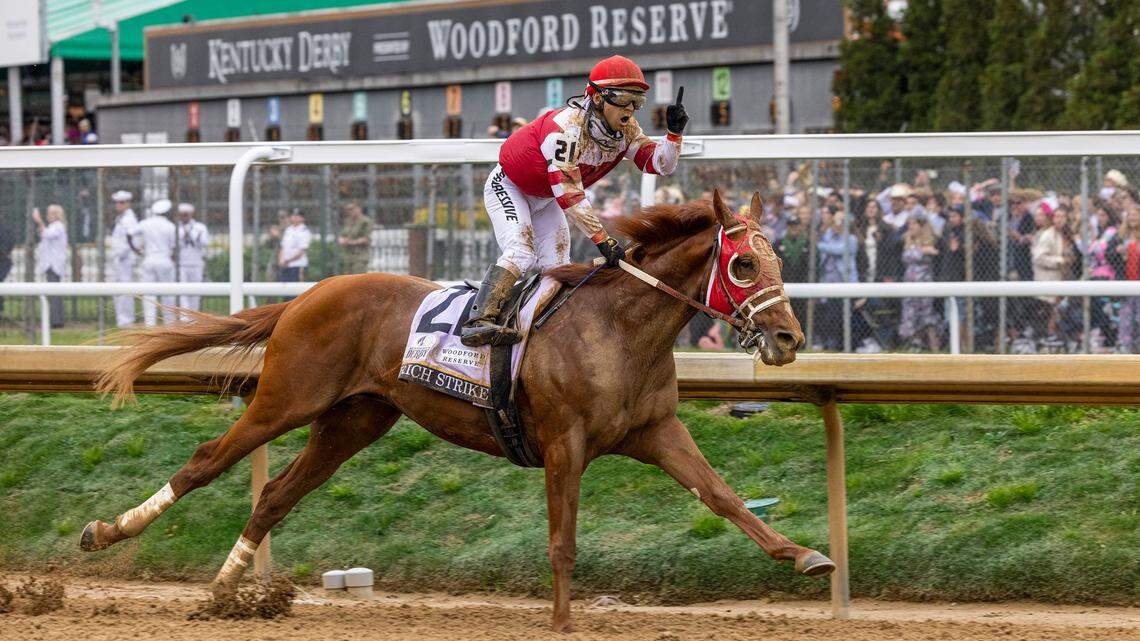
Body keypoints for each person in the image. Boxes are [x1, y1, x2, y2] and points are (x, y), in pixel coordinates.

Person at [462, 54, 688, 346]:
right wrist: (603, 240)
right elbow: (568, 193)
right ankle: (478, 321)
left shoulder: (627, 130)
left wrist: (674, 135)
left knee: (556, 266)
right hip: (509, 186)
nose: (630, 110)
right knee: (521, 252)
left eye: (638, 101)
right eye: (623, 99)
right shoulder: (565, 129)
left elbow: (660, 165)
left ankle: (538, 331)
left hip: (545, 198)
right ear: (596, 98)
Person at [898, 215, 941, 351]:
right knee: (910, 315)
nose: (911, 227)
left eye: (914, 224)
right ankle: (915, 345)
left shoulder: (930, 240)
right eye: (909, 224)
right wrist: (921, 250)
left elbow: (932, 253)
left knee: (926, 317)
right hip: (909, 283)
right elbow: (907, 256)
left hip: (924, 282)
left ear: (922, 226)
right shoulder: (908, 241)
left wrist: (921, 251)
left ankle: (935, 348)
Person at [132, 199, 178, 327]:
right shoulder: (170, 226)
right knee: (168, 293)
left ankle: (150, 324)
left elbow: (130, 233)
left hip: (149, 260)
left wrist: (135, 249)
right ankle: (170, 324)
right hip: (164, 260)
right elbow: (174, 246)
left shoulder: (146, 223)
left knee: (148, 293)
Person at [32, 204, 68, 328]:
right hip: (50, 264)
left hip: (54, 264)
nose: (48, 216)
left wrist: (39, 221)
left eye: (51, 213)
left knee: (54, 294)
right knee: (52, 294)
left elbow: (47, 234)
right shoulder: (53, 226)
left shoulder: (58, 227)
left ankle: (57, 321)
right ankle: (54, 318)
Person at [109, 190, 139, 327]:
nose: (118, 205)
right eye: (117, 203)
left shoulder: (129, 219)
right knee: (118, 290)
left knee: (125, 290)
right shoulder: (121, 218)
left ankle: (126, 319)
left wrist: (120, 254)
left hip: (124, 259)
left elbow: (130, 240)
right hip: (119, 259)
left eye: (121, 203)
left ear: (128, 203)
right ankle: (122, 319)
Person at [176, 202, 209, 316]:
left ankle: (194, 316)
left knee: (195, 292)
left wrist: (197, 238)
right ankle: (184, 317)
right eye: (182, 214)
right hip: (182, 263)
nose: (184, 217)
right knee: (183, 291)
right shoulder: (176, 228)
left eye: (186, 214)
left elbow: (205, 242)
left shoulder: (200, 227)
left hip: (196, 263)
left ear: (191, 214)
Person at [1115, 206, 1140, 353]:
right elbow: (1110, 253)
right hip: (1126, 284)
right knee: (1126, 321)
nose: (1133, 218)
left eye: (1136, 215)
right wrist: (1120, 252)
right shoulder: (1122, 235)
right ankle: (1127, 350)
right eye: (1130, 215)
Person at [338, 202, 373, 274]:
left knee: (358, 279)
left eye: (352, 209)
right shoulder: (348, 221)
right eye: (348, 210)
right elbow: (343, 234)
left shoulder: (365, 221)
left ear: (359, 209)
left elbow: (366, 239)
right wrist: (341, 240)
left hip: (360, 256)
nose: (350, 212)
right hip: (348, 255)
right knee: (347, 279)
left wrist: (350, 242)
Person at [278, 209, 312, 283]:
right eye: (293, 215)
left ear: (303, 218)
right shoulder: (288, 230)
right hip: (285, 265)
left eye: (297, 216)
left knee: (297, 290)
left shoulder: (304, 231)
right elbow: (283, 247)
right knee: (285, 290)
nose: (295, 217)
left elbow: (302, 251)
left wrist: (287, 261)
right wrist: (281, 260)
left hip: (298, 265)